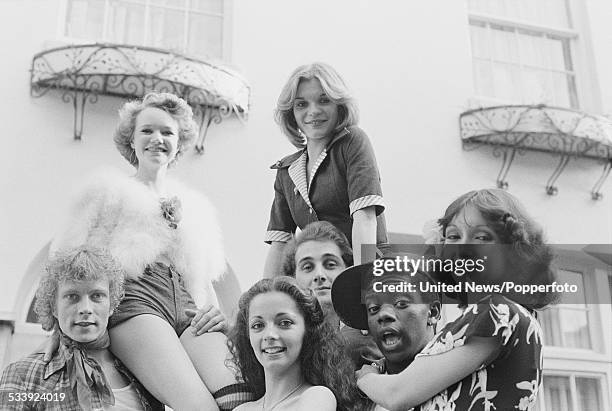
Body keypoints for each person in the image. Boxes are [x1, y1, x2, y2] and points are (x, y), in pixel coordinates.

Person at [48, 92, 252, 410]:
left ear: (179, 142)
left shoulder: (196, 207)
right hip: (136, 299)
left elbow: (202, 275)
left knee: (239, 395)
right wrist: (57, 327)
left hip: (187, 305)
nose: (157, 139)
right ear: (131, 140)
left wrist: (216, 315)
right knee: (199, 406)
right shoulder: (105, 191)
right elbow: (66, 259)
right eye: (147, 130)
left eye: (167, 132)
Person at [356, 189, 557, 411]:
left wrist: (366, 376)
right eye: (453, 236)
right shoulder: (506, 315)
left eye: (481, 237)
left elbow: (396, 395)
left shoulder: (499, 312)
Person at [0, 246, 163, 410]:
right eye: (72, 296)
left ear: (111, 304)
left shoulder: (142, 371)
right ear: (54, 307)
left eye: (97, 296)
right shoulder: (24, 376)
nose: (85, 308)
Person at [264, 62, 387, 276]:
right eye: (301, 104)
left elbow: (365, 219)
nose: (313, 111)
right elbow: (279, 245)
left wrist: (359, 285)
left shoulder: (353, 141)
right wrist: (262, 298)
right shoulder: (286, 171)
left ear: (339, 106)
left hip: (369, 272)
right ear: (291, 113)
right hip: (319, 280)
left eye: (323, 100)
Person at [226, 277, 369, 411]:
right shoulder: (241, 409)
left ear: (308, 331)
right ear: (248, 337)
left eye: (284, 323)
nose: (269, 335)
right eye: (257, 325)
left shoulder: (318, 396)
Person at [281, 221, 383, 368]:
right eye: (308, 267)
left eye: (330, 264)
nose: (319, 275)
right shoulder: (283, 338)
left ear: (348, 269)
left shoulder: (371, 332)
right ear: (292, 277)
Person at [332, 255, 441, 380]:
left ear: (433, 312)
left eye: (401, 303)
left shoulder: (464, 377)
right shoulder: (355, 391)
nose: (383, 314)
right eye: (373, 308)